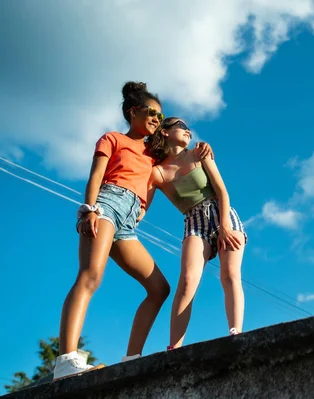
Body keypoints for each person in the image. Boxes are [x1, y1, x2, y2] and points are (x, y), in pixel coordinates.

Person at [53, 83, 214, 379]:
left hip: (128, 223)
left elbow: (178, 156)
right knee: (91, 275)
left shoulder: (153, 155)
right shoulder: (112, 139)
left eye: (160, 115)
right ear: (132, 112)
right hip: (106, 206)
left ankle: (131, 358)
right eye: (151, 112)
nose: (156, 118)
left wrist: (200, 147)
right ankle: (65, 360)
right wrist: (89, 209)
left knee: (159, 288)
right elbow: (96, 176)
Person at [146, 117, 247, 349]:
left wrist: (225, 227)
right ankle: (174, 347)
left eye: (188, 128)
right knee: (188, 280)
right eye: (181, 126)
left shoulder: (200, 153)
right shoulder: (158, 173)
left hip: (222, 213)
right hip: (194, 221)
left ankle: (235, 332)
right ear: (164, 132)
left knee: (229, 274)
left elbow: (222, 190)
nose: (187, 131)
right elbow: (143, 206)